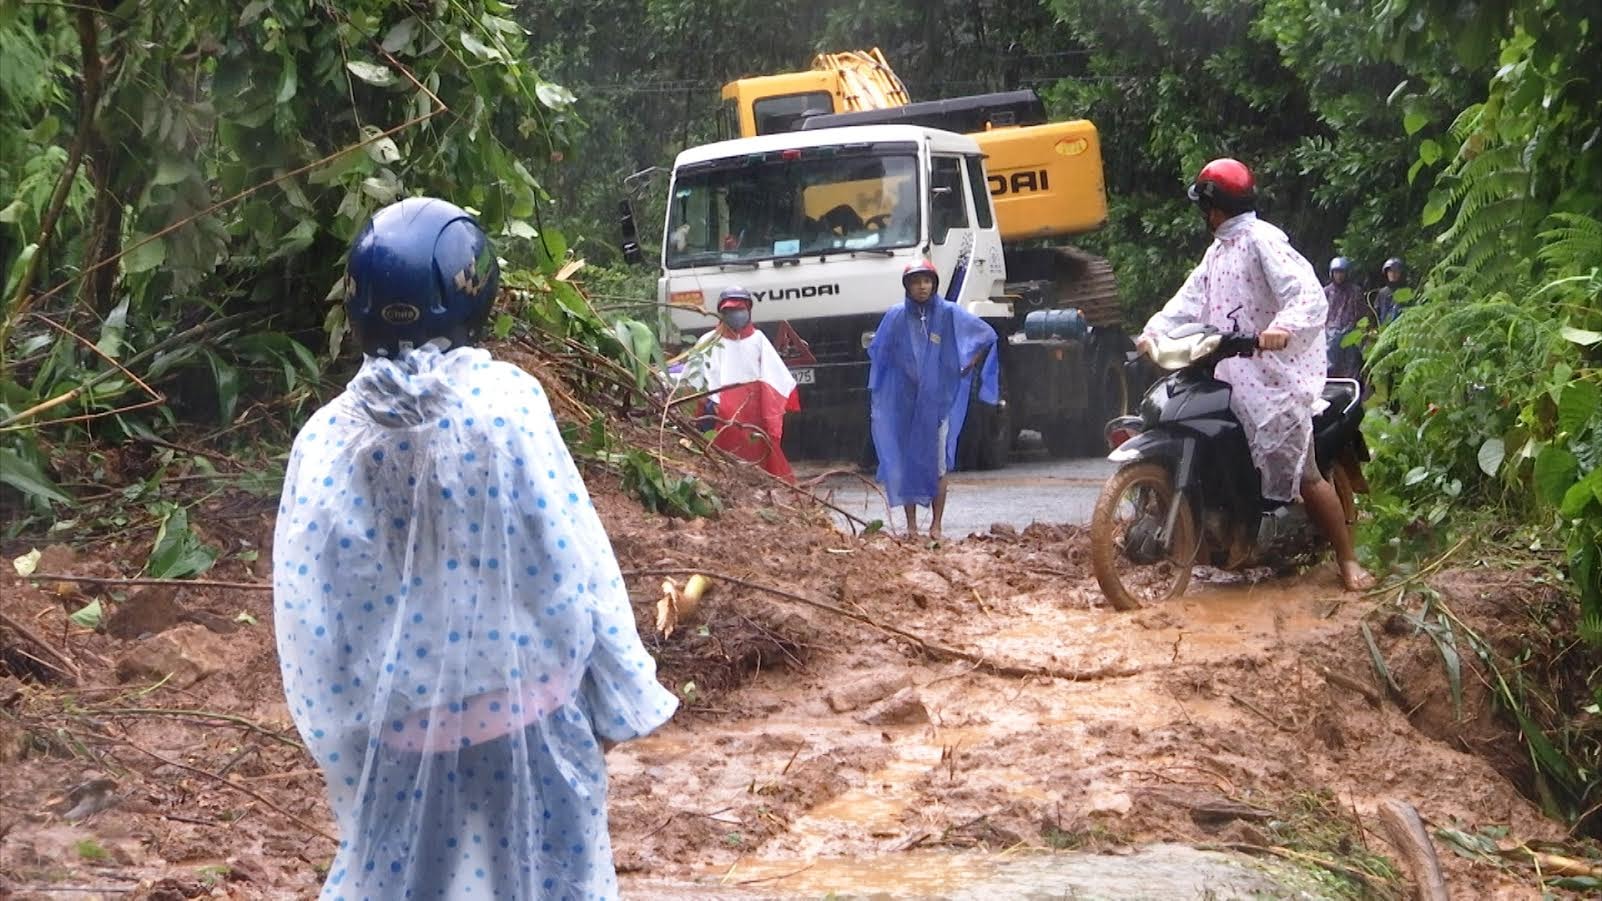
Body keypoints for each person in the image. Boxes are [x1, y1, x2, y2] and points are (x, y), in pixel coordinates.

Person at [273, 197, 677, 900]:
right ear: (472, 290)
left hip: (398, 738)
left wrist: (347, 742)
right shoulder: (505, 408)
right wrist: (618, 695)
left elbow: (313, 612)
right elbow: (572, 558)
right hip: (527, 726)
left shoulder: (328, 440)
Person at [1136, 159, 1375, 591]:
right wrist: (1154, 331)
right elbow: (1186, 301)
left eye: (1205, 207)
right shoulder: (1217, 252)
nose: (1204, 216)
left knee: (1305, 474)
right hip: (1227, 369)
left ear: (1215, 206)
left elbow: (1304, 294)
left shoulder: (1262, 241)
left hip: (1271, 375)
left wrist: (1281, 329)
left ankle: (1348, 561)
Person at [867, 259, 998, 541]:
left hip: (936, 404)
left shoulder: (948, 313)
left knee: (937, 463)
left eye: (927, 281)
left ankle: (936, 525)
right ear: (907, 286)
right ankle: (911, 526)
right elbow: (879, 351)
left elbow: (985, 336)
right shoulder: (896, 316)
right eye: (916, 282)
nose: (922, 286)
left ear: (935, 284)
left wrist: (964, 366)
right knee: (904, 461)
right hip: (903, 402)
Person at [692, 287, 801, 482]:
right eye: (730, 310)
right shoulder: (708, 341)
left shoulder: (758, 340)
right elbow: (694, 379)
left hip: (753, 411)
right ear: (721, 312)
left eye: (740, 309)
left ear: (749, 310)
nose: (736, 314)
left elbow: (776, 376)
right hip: (718, 413)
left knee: (757, 455)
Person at [1323, 256, 1367, 380]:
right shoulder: (1326, 292)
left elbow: (1362, 315)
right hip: (1330, 335)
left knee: (1352, 365)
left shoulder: (1355, 291)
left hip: (1350, 334)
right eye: (1336, 272)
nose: (1339, 276)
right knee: (1330, 363)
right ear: (1332, 273)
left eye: (1341, 272)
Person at [1374, 257, 1406, 325]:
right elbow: (1376, 312)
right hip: (1385, 329)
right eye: (1390, 271)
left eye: (1396, 271)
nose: (1393, 274)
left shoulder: (1406, 291)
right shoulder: (1382, 292)